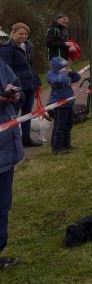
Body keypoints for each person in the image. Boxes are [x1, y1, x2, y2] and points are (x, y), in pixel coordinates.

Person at [0, 23, 43, 147]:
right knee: (12, 114)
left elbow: (31, 67)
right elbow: (6, 70)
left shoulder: (28, 46)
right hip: (17, 88)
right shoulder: (7, 48)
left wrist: (37, 83)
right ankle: (9, 141)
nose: (24, 36)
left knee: (27, 113)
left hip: (30, 85)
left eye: (26, 34)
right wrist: (12, 87)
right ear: (13, 33)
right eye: (20, 34)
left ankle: (26, 138)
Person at [0, 58, 24, 268]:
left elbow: (19, 88)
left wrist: (15, 95)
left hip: (6, 149)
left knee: (3, 205)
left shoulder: (1, 64)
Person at [46, 57, 80, 154]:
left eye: (66, 66)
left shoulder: (66, 73)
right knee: (59, 126)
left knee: (68, 125)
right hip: (59, 104)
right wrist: (64, 72)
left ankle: (66, 145)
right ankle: (56, 148)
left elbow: (77, 78)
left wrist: (72, 72)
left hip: (69, 103)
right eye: (64, 66)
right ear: (58, 67)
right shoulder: (51, 74)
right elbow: (58, 81)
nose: (66, 68)